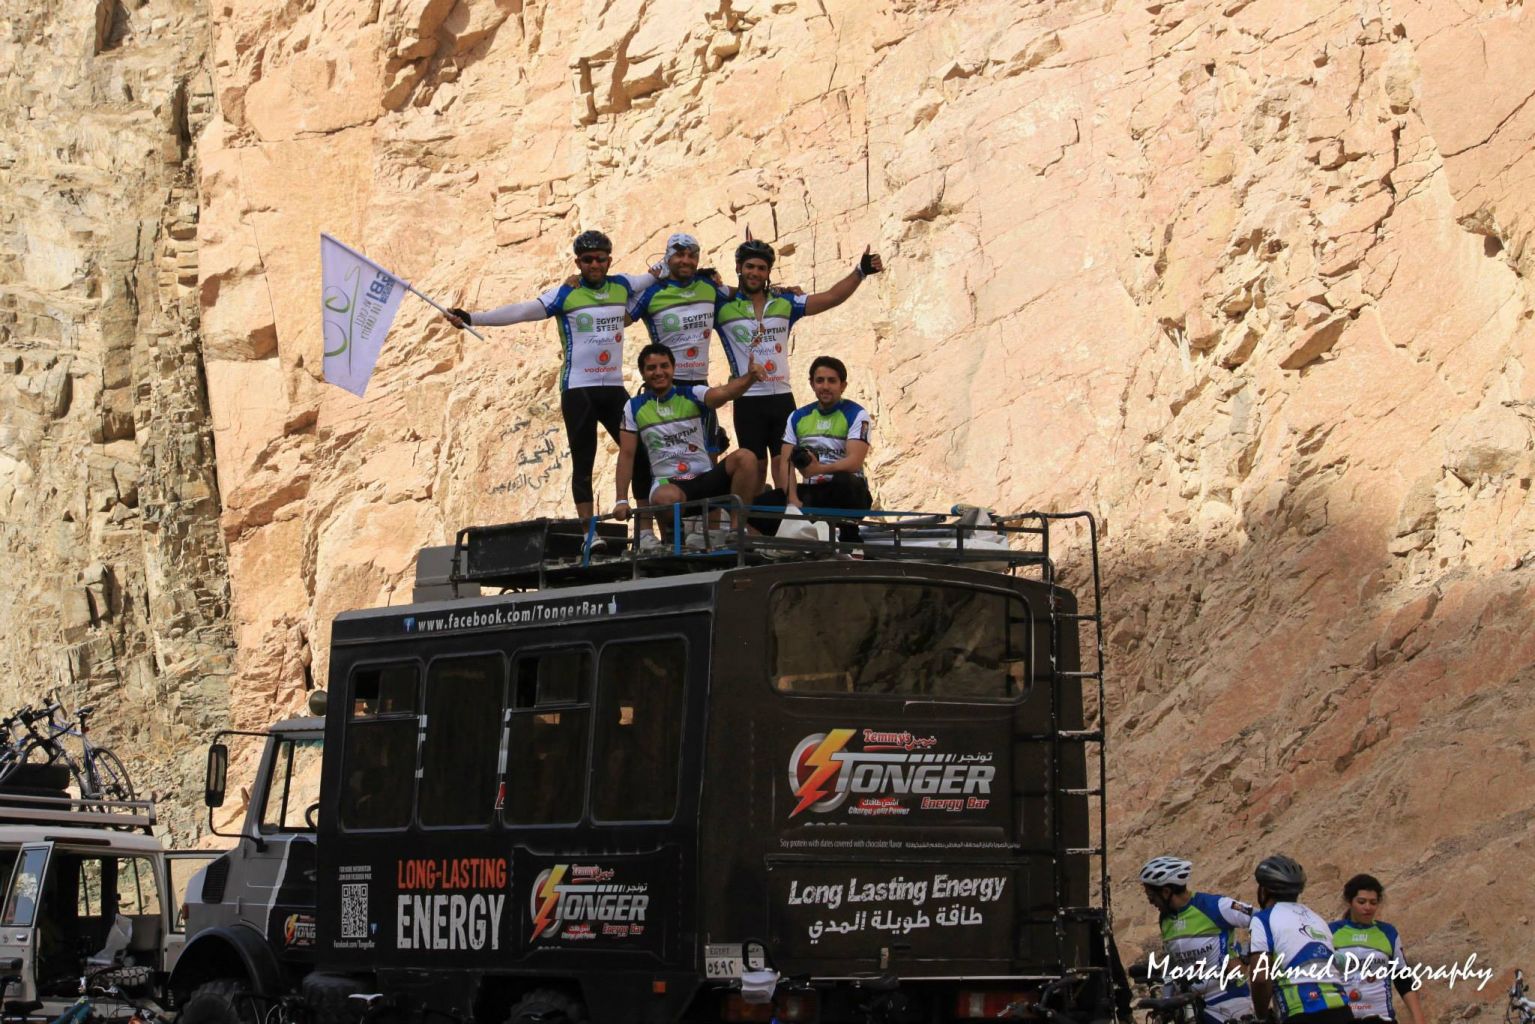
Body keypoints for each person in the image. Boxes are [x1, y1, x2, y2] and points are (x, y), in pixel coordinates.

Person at [445, 231, 656, 519]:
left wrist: (706, 275)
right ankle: (588, 533)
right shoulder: (565, 294)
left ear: (609, 260)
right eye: (588, 260)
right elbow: (521, 311)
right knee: (584, 463)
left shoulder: (623, 284)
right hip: (578, 389)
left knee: (641, 456)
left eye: (600, 259)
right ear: (578, 263)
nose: (594, 264)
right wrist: (472, 318)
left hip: (613, 387)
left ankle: (646, 530)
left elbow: (657, 274)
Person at [716, 239, 884, 490]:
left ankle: (789, 511)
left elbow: (831, 297)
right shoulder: (722, 306)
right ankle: (753, 516)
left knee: (783, 464)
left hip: (781, 396)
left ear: (768, 272)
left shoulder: (785, 302)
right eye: (750, 266)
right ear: (739, 267)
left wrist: (860, 272)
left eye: (762, 268)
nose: (755, 273)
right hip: (747, 398)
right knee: (755, 467)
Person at [613, 344, 765, 542]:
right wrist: (621, 500)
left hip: (704, 477)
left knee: (746, 457)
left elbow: (725, 393)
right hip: (669, 482)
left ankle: (737, 531)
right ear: (642, 373)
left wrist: (750, 378)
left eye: (664, 366)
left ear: (673, 368)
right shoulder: (633, 406)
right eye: (651, 368)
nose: (658, 372)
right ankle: (676, 539)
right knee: (664, 498)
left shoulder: (692, 393)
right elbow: (626, 455)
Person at [1138, 856, 1255, 1024]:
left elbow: (1265, 920)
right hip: (1192, 1006)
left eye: (1151, 895)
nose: (1150, 901)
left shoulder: (1215, 906)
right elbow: (1173, 963)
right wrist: (1166, 1000)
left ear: (1166, 892)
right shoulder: (1165, 919)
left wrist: (1245, 956)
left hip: (1230, 1000)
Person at [1247, 855, 1353, 1024]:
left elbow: (1260, 977)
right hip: (1342, 1010)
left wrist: (1261, 1015)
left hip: (1301, 1012)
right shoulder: (1317, 919)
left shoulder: (1263, 919)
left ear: (1264, 891)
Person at [776, 355, 874, 536]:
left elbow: (854, 462)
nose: (825, 386)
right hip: (812, 492)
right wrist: (792, 500)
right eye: (820, 380)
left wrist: (818, 469)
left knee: (844, 480)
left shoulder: (857, 414)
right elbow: (785, 462)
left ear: (843, 385)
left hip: (849, 492)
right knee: (764, 502)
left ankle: (850, 538)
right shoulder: (797, 416)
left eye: (832, 381)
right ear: (812, 384)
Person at [1330, 874, 1425, 1024]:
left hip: (1381, 1017)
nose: (1367, 907)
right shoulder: (1331, 932)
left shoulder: (1388, 933)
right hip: (1343, 1017)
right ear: (1349, 901)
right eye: (1361, 902)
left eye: (1373, 902)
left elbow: (1403, 979)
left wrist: (1419, 1019)